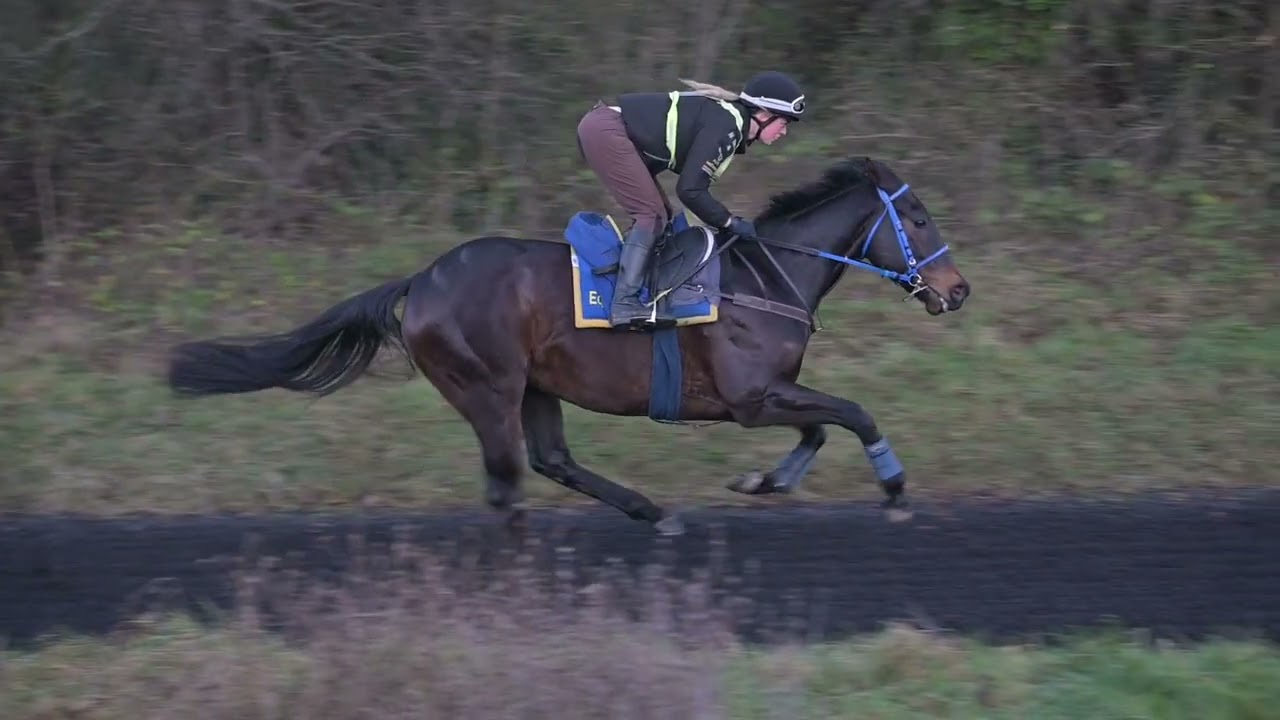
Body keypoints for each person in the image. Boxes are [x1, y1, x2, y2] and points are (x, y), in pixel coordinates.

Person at [576, 71, 806, 327]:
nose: (784, 132)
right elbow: (690, 191)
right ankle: (624, 303)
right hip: (605, 130)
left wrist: (727, 221)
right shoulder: (727, 125)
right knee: (651, 214)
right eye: (784, 122)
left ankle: (645, 291)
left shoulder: (730, 122)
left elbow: (691, 189)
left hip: (605, 128)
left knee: (661, 214)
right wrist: (729, 222)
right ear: (764, 114)